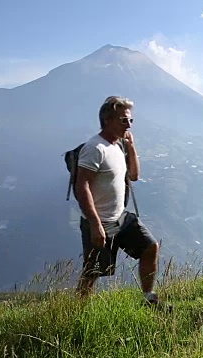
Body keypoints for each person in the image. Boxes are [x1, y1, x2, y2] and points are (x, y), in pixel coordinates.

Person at [74, 95, 165, 308]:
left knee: (150, 247)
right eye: (124, 120)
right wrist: (95, 224)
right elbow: (82, 186)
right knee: (93, 272)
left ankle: (148, 298)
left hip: (121, 218)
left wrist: (131, 147)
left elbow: (133, 176)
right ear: (108, 119)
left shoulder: (118, 146)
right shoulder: (95, 148)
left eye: (130, 120)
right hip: (101, 221)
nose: (129, 124)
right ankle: (75, 313)